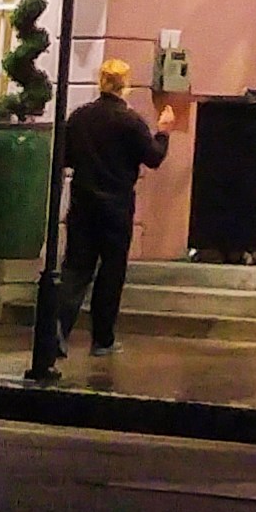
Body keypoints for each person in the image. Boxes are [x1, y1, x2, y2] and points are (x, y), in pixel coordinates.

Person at [42, 56, 172, 368]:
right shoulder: (130, 121)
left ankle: (58, 331)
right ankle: (102, 339)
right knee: (111, 273)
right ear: (124, 85)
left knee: (75, 269)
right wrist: (164, 131)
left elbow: (64, 158)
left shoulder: (80, 117)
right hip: (116, 207)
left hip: (83, 204)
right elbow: (153, 158)